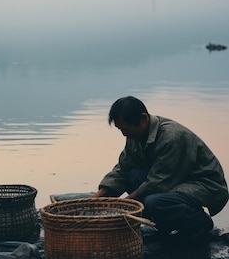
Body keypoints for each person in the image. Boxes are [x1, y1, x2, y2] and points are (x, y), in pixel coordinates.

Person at [92, 96, 228, 241]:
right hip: (174, 180)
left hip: (203, 184)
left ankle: (199, 223)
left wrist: (123, 206)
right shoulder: (134, 135)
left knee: (155, 201)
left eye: (126, 129)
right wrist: (96, 200)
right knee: (132, 175)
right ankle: (165, 223)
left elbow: (158, 183)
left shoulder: (172, 137)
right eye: (120, 129)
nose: (124, 134)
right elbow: (123, 168)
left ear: (143, 119)